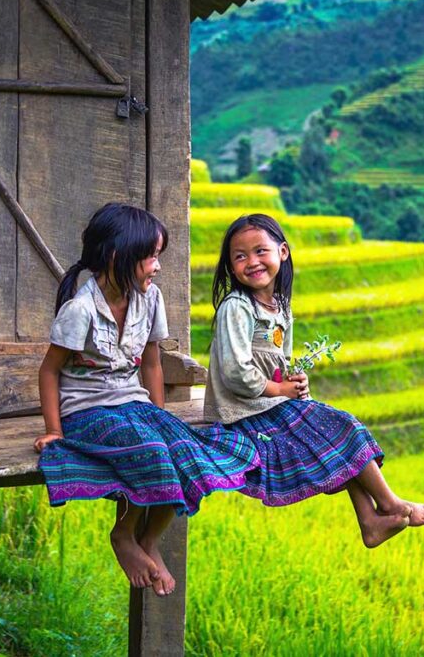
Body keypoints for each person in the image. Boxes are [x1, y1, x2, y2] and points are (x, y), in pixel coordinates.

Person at [33, 203, 260, 596]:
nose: (157, 266)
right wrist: (54, 430)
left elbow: (152, 362)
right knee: (152, 450)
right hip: (87, 410)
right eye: (151, 256)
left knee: (184, 449)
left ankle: (149, 540)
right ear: (118, 257)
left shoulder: (149, 298)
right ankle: (123, 536)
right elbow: (50, 370)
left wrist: (159, 414)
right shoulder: (80, 310)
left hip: (133, 402)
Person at [204, 213, 424, 548]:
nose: (251, 262)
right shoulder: (236, 308)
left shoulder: (280, 306)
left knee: (338, 432)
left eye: (260, 252)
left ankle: (370, 521)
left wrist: (294, 383)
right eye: (240, 256)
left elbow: (279, 361)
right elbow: (235, 371)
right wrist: (280, 389)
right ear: (230, 266)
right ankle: (389, 504)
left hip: (271, 404)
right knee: (341, 429)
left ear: (282, 252)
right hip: (242, 414)